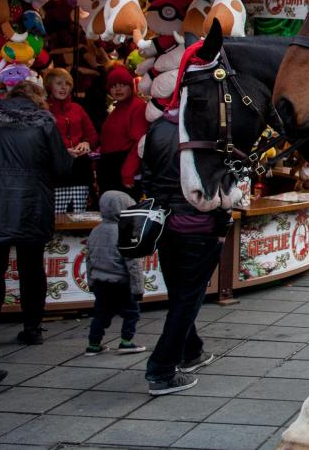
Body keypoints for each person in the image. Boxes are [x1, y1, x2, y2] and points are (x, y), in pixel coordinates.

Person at [142, 112, 228, 395]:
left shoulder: (157, 128)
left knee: (180, 292)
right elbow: (222, 182)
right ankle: (162, 368)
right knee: (188, 297)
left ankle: (192, 351)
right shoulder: (205, 128)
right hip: (197, 223)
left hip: (165, 221)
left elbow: (146, 174)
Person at [0, 81, 73, 347]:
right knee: (32, 268)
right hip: (33, 203)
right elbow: (62, 166)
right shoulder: (44, 121)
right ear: (38, 98)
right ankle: (32, 328)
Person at [85, 190, 147, 355]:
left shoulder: (95, 231)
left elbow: (89, 259)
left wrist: (90, 282)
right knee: (131, 313)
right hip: (121, 283)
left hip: (100, 282)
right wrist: (138, 289)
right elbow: (134, 264)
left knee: (101, 314)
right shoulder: (125, 233)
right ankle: (126, 342)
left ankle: (93, 344)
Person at [46, 68, 98, 212]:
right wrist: (62, 152)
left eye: (67, 84)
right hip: (56, 170)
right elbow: (41, 142)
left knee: (79, 213)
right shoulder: (44, 110)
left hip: (80, 168)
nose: (64, 87)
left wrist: (86, 143)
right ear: (50, 86)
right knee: (55, 215)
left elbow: (92, 135)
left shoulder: (77, 108)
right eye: (59, 83)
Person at [97, 64, 147, 196]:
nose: (117, 89)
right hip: (111, 169)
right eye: (113, 86)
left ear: (130, 87)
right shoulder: (117, 108)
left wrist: (128, 171)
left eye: (122, 85)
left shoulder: (137, 107)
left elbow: (139, 143)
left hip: (123, 168)